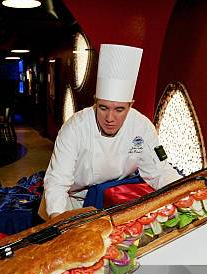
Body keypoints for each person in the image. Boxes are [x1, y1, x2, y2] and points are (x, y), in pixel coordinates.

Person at [42, 44, 181, 218]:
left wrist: (184, 193)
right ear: (95, 102)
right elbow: (57, 181)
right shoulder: (75, 128)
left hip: (118, 199)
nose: (110, 118)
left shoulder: (142, 127)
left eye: (119, 110)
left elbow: (160, 171)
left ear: (130, 105)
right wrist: (58, 218)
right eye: (103, 107)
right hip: (73, 201)